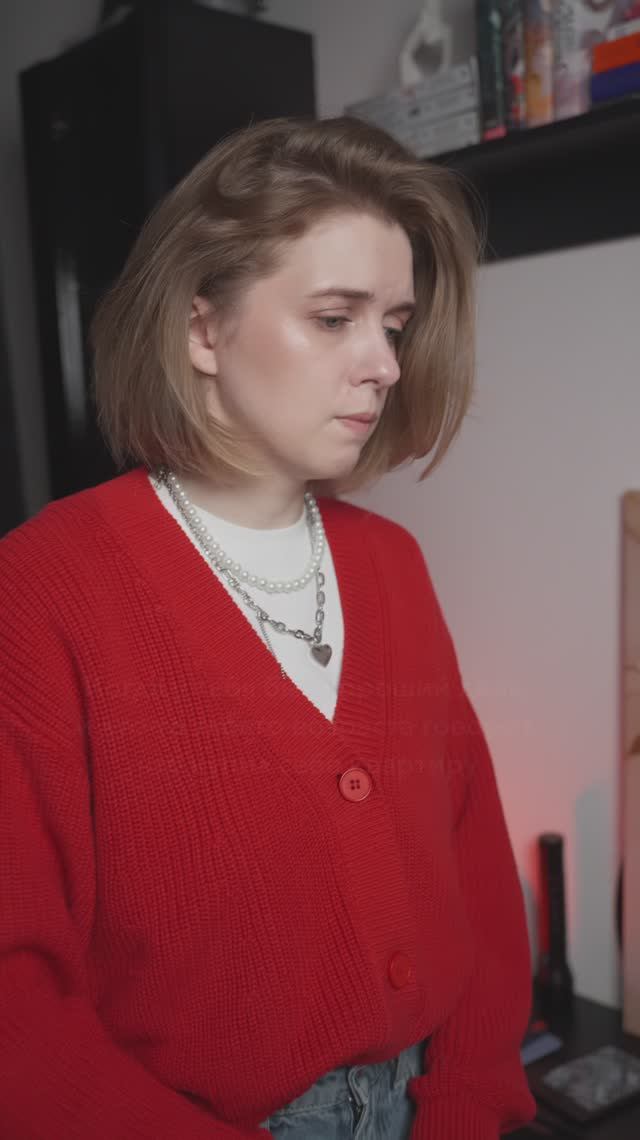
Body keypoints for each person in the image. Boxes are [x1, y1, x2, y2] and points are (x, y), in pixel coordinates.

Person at [0, 115, 536, 1140]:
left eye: (394, 324)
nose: (384, 364)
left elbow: (471, 865)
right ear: (202, 331)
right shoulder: (42, 593)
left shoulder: (392, 565)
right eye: (335, 318)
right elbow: (14, 1002)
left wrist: (465, 1105)